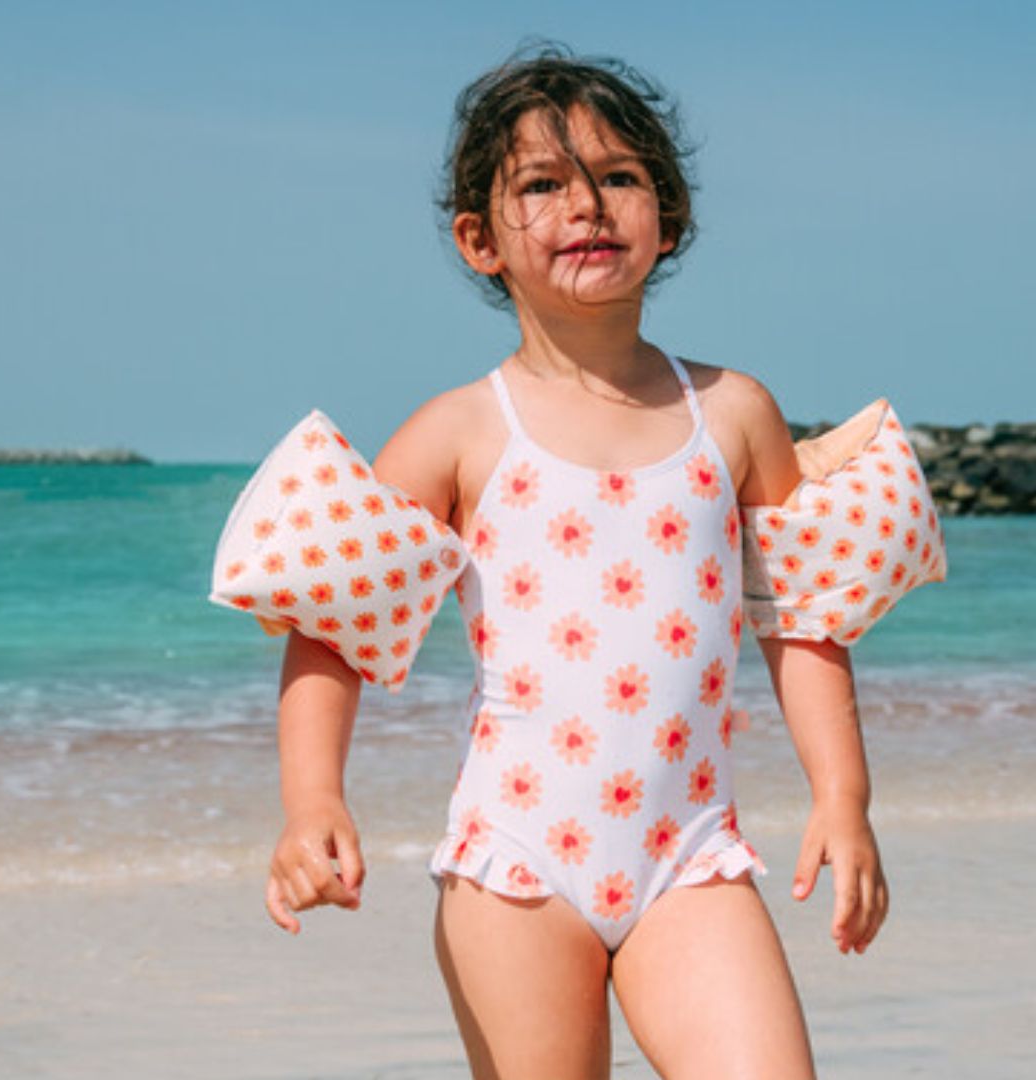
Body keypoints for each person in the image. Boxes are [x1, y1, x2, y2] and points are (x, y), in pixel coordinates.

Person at [264, 46, 887, 1079]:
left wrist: (844, 797)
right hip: (518, 863)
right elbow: (334, 625)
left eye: (620, 176)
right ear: (479, 240)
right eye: (543, 185)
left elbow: (802, 615)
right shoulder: (460, 431)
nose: (587, 204)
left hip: (689, 851)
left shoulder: (734, 413)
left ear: (668, 218)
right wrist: (312, 803)